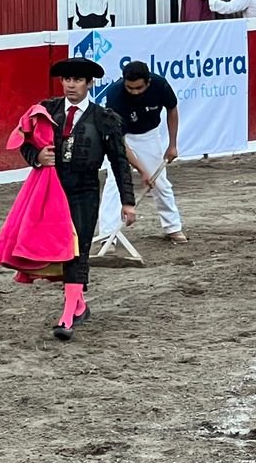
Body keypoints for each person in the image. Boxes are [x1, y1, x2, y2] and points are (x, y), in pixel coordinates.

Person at [19, 57, 137, 341]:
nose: (71, 85)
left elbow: (119, 162)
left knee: (78, 248)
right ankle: (79, 304)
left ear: (89, 83)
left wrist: (127, 201)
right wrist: (37, 158)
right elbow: (26, 142)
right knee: (58, 248)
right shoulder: (47, 111)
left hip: (84, 189)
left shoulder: (104, 118)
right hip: (52, 189)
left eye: (77, 80)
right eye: (67, 80)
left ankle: (68, 315)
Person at [94, 61, 185, 247]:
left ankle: (172, 227)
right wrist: (142, 171)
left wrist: (172, 145)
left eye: (139, 88)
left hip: (148, 136)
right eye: (130, 88)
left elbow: (172, 109)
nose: (135, 92)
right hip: (121, 138)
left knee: (160, 182)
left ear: (148, 82)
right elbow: (120, 142)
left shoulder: (161, 85)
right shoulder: (115, 95)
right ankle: (107, 235)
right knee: (114, 182)